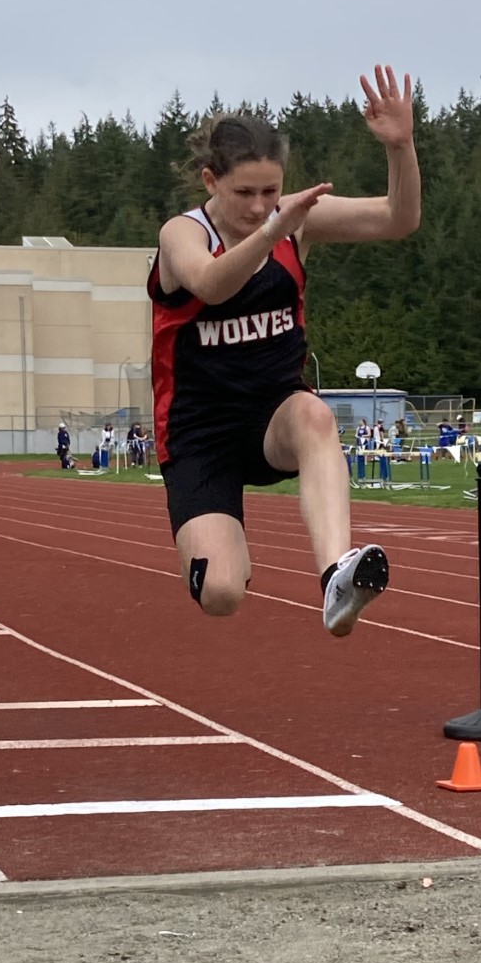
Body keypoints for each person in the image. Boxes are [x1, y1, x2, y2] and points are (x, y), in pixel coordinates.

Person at [147, 64, 420, 637]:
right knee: (222, 593)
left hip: (273, 416)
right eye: (244, 193)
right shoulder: (183, 234)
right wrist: (273, 231)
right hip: (200, 433)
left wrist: (400, 148)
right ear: (210, 181)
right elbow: (211, 284)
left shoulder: (294, 218)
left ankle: (336, 576)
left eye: (270, 192)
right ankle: (216, 559)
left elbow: (399, 218)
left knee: (315, 414)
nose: (258, 206)